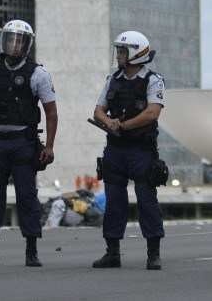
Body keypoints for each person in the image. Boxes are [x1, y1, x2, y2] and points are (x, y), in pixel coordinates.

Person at [0, 19, 58, 268]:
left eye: (20, 41)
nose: (14, 46)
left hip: (23, 143)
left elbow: (51, 113)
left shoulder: (39, 74)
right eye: (10, 39)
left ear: (28, 45)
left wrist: (48, 146)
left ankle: (31, 250)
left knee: (27, 196)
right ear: (3, 41)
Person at [91, 31, 168, 271]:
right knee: (114, 201)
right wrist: (109, 122)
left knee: (146, 199)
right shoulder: (112, 79)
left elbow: (152, 113)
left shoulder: (153, 80)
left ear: (135, 53)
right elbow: (98, 110)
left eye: (123, 51)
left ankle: (153, 254)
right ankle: (112, 252)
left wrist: (122, 125)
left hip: (141, 150)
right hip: (115, 149)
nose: (119, 56)